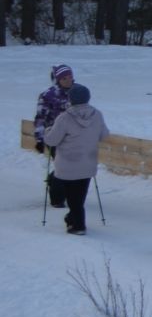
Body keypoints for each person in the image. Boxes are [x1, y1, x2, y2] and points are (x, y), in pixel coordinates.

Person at [43, 83, 108, 234]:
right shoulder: (97, 114)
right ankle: (73, 219)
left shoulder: (65, 118)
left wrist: (47, 131)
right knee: (79, 195)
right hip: (88, 162)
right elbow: (104, 134)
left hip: (68, 164)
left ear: (71, 99)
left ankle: (78, 225)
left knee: (73, 198)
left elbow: (52, 140)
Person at [33, 62, 75, 154]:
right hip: (54, 135)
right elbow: (41, 118)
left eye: (70, 77)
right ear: (57, 80)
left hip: (74, 135)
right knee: (62, 162)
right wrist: (40, 139)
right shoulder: (48, 96)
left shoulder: (77, 92)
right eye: (64, 79)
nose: (68, 81)